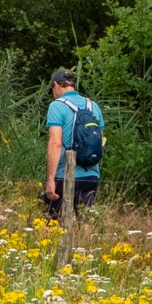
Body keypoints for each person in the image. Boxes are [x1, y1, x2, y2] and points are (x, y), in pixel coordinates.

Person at [43, 68, 103, 220]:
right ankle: (88, 244)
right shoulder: (93, 106)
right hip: (91, 174)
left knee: (54, 223)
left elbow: (56, 143)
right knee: (86, 221)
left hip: (65, 174)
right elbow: (100, 142)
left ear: (56, 85)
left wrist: (50, 179)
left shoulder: (57, 106)